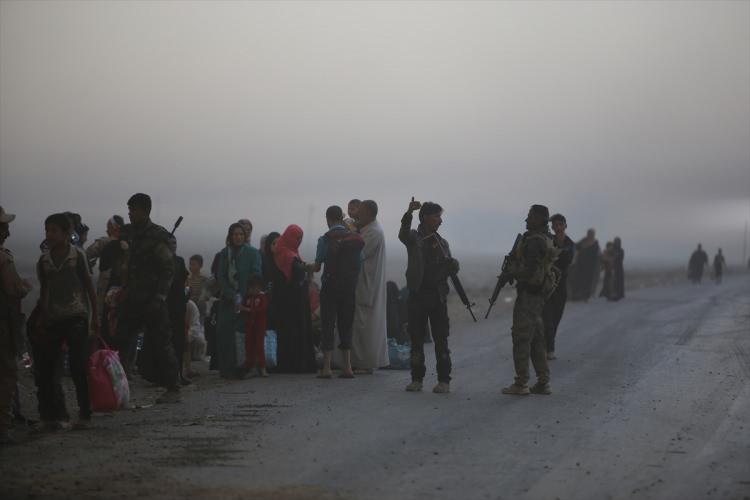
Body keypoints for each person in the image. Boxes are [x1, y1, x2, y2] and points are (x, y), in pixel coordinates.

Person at [32, 213, 99, 428]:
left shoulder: (77, 256)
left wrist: (95, 316)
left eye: (54, 230)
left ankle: (85, 414)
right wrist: (42, 317)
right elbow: (45, 290)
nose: (49, 234)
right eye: (47, 230)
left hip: (77, 316)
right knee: (48, 368)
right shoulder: (44, 260)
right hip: (53, 318)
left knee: (78, 366)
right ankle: (51, 417)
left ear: (66, 232)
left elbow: (89, 287)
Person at [115, 193, 181, 403]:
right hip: (132, 297)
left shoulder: (157, 237)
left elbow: (168, 269)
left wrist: (160, 297)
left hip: (152, 298)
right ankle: (117, 388)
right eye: (129, 209)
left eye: (133, 210)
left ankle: (173, 388)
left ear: (145, 211)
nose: (130, 213)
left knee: (162, 343)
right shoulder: (129, 233)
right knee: (121, 341)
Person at [399, 198, 458, 394]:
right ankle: (416, 379)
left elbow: (449, 268)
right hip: (417, 295)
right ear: (425, 217)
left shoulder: (442, 243)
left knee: (441, 340)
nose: (440, 220)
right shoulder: (414, 238)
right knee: (416, 339)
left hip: (437, 297)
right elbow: (402, 234)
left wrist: (453, 266)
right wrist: (409, 213)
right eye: (436, 216)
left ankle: (444, 380)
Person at [502, 205, 556, 396]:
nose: (526, 220)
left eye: (530, 217)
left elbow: (530, 270)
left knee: (522, 337)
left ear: (539, 219)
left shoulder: (534, 241)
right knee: (536, 338)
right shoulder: (545, 238)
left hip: (529, 294)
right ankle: (543, 382)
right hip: (538, 295)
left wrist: (511, 273)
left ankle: (521, 383)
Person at [308, 205, 364, 379]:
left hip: (330, 288)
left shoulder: (324, 239)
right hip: (348, 287)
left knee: (328, 325)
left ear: (328, 219)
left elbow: (317, 267)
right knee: (346, 324)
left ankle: (326, 368)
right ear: (341, 217)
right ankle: (347, 367)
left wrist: (305, 266)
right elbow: (360, 262)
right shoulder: (354, 239)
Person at [0, 207, 32, 444]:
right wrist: (26, 286)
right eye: (4, 227)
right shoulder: (4, 259)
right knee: (6, 376)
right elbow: (15, 290)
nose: (7, 232)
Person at [216, 223, 262, 378]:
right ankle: (226, 369)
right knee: (225, 333)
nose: (238, 237)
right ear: (230, 236)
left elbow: (256, 274)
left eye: (241, 234)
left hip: (246, 301)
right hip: (228, 300)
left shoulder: (252, 253)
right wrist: (232, 294)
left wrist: (246, 294)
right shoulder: (225, 253)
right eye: (235, 234)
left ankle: (243, 368)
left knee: (242, 335)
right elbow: (221, 276)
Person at [351, 200, 389, 374]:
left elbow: (358, 253)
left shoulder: (373, 232)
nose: (357, 214)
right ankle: (357, 361)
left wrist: (350, 234)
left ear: (369, 214)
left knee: (364, 325)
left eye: (360, 211)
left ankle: (365, 363)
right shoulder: (367, 228)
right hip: (363, 283)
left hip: (367, 285)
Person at [272, 225, 316, 373]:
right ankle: (293, 364)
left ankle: (296, 363)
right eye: (296, 237)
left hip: (296, 300)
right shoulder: (286, 254)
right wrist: (308, 268)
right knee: (292, 331)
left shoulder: (291, 252)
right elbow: (295, 271)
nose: (298, 241)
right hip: (290, 301)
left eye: (300, 238)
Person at [542, 213, 575, 360]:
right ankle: (548, 349)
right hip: (547, 286)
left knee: (555, 319)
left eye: (560, 224)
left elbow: (566, 260)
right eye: (555, 225)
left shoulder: (570, 244)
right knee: (546, 319)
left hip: (561, 286)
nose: (557, 227)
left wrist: (553, 256)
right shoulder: (548, 240)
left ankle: (548, 347)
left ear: (565, 225)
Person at [239, 274, 269, 377]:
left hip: (259, 326)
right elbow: (242, 309)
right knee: (249, 346)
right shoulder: (247, 298)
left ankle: (262, 367)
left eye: (254, 287)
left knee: (259, 346)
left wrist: (248, 309)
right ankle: (250, 366)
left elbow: (262, 309)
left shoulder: (262, 297)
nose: (252, 290)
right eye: (250, 288)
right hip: (249, 326)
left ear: (259, 287)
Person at [569, 229, 600, 301]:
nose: (590, 235)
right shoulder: (583, 241)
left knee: (588, 281)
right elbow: (576, 246)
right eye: (590, 233)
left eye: (592, 234)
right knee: (579, 279)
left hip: (590, 266)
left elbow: (596, 255)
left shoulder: (595, 243)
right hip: (581, 265)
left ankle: (585, 296)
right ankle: (577, 295)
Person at [184, 298, 206, 377]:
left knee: (191, 342)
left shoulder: (190, 305)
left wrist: (187, 336)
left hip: (189, 329)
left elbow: (194, 325)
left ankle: (188, 368)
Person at [186, 254, 209, 322]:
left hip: (200, 305)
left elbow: (207, 293)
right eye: (190, 264)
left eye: (193, 264)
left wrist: (201, 297)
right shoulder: (188, 278)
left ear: (200, 266)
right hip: (190, 305)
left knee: (200, 323)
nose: (191, 266)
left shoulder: (204, 278)